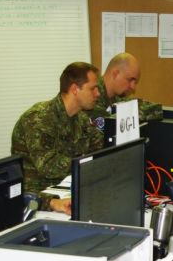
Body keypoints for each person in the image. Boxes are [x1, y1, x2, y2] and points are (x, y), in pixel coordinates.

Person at [11, 62, 104, 213]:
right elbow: (48, 166)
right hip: (38, 199)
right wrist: (86, 164)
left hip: (68, 189)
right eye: (93, 88)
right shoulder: (39, 119)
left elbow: (99, 150)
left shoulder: (81, 119)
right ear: (75, 89)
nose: (98, 94)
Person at [87, 52, 163, 130]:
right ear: (115, 74)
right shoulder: (92, 96)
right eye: (130, 80)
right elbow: (107, 126)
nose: (133, 87)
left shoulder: (118, 96)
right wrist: (132, 113)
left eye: (135, 82)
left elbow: (156, 109)